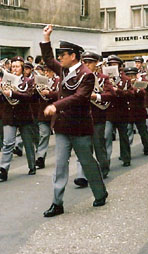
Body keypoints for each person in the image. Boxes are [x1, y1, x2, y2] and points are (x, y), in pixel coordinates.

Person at [40, 25, 108, 217]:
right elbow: (46, 59)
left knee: (87, 162)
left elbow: (80, 97)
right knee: (60, 165)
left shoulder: (86, 74)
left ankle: (100, 193)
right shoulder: (64, 70)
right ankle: (57, 203)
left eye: (62, 54)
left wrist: (56, 105)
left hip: (79, 127)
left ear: (73, 56)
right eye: (59, 54)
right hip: (62, 126)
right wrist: (46, 38)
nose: (59, 58)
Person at [74, 51, 115, 187]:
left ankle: (103, 168)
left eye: (89, 63)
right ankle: (82, 176)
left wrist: (96, 96)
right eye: (84, 62)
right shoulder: (77, 78)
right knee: (83, 147)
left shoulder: (103, 78)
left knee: (98, 145)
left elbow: (110, 95)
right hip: (81, 118)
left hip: (97, 117)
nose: (86, 65)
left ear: (96, 64)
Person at [0, 56, 37, 181]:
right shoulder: (5, 80)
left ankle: (32, 166)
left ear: (22, 68)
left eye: (17, 66)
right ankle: (3, 169)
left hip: (24, 115)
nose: (15, 69)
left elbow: (30, 96)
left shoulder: (28, 81)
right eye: (13, 66)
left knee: (28, 143)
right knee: (7, 143)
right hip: (9, 115)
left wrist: (12, 93)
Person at [34, 64, 59, 170]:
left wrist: (49, 93)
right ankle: (40, 158)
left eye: (49, 71)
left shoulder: (58, 81)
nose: (46, 73)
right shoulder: (41, 81)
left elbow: (61, 94)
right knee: (43, 135)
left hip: (56, 113)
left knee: (60, 137)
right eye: (45, 71)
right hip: (43, 113)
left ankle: (61, 157)